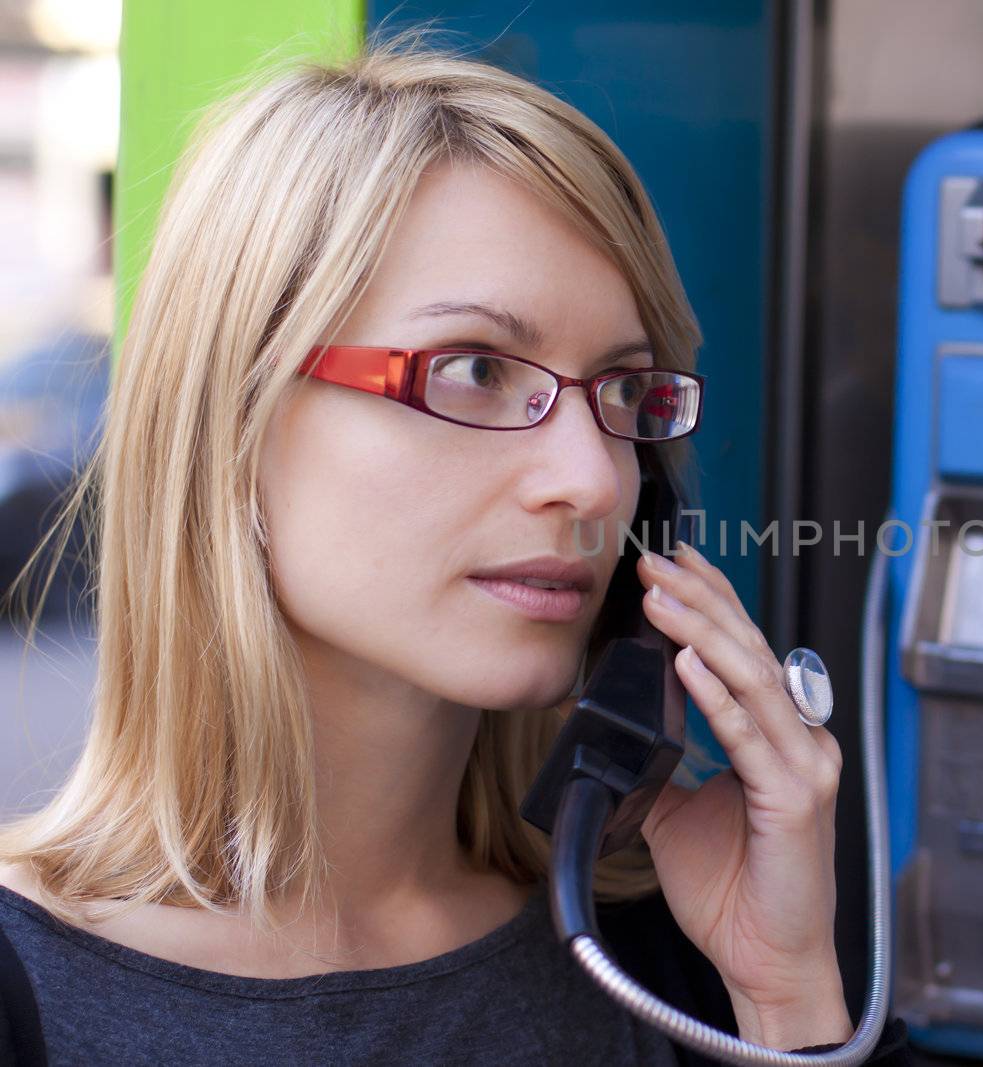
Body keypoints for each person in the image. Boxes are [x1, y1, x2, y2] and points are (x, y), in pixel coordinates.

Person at [0, 30, 908, 1066]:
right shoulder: (32, 989)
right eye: (473, 368)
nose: (593, 477)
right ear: (236, 427)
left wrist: (786, 993)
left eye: (620, 391)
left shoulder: (662, 957)